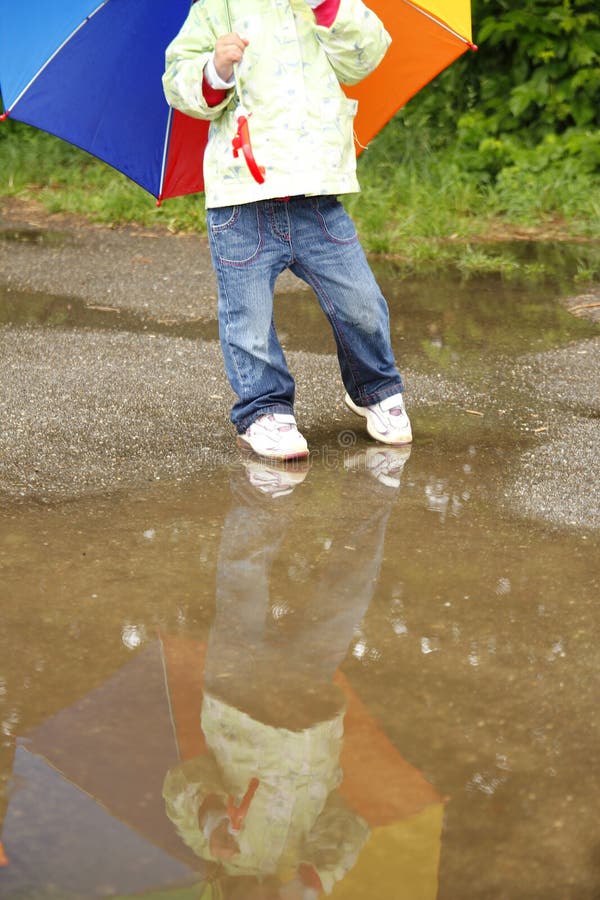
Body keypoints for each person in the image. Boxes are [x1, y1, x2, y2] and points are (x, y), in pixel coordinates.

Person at [162, 0, 412, 461]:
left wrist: (328, 7)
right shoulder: (214, 8)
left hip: (316, 193)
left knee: (361, 304)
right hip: (241, 200)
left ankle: (373, 388)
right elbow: (178, 81)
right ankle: (263, 409)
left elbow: (367, 56)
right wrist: (214, 70)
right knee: (248, 321)